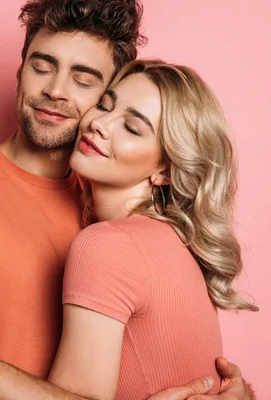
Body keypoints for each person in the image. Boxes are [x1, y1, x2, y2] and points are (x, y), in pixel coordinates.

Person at [0, 1, 255, 399]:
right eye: (42, 65)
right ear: (20, 70)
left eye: (84, 81)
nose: (55, 89)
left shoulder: (113, 214)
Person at [46, 59, 259, 400]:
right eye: (105, 104)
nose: (99, 123)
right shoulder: (177, 243)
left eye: (131, 127)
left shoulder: (107, 246)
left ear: (166, 170)